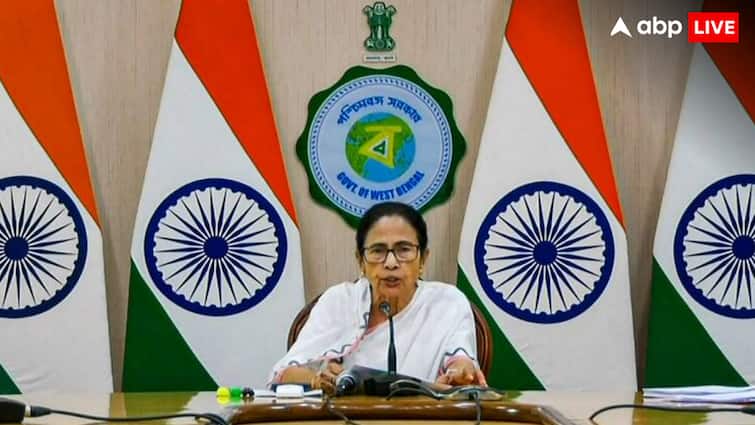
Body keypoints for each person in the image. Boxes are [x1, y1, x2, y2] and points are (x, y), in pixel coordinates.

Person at [269, 202, 486, 393]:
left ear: (422, 259)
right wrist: (318, 379)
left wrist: (460, 372)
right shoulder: (339, 301)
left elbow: (462, 363)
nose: (391, 263)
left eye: (404, 249)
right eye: (378, 251)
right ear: (360, 261)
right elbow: (283, 374)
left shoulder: (447, 302)